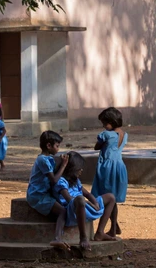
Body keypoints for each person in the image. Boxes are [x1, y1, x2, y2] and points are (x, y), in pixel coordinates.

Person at [53, 151, 118, 251]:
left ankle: (100, 232)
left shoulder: (76, 181)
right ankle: (83, 237)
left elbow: (87, 194)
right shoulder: (62, 181)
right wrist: (88, 203)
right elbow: (70, 200)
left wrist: (95, 202)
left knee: (110, 197)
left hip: (86, 206)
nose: (81, 170)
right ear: (71, 169)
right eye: (78, 168)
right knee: (79, 199)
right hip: (73, 210)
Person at [26, 130, 69, 249]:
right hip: (37, 195)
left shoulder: (47, 158)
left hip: (42, 193)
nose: (58, 149)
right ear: (48, 146)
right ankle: (57, 238)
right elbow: (54, 180)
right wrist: (64, 165)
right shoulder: (42, 160)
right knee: (63, 211)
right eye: (57, 146)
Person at [91, 107, 128, 236]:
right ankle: (114, 226)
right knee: (113, 199)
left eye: (104, 123)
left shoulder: (106, 135)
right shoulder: (124, 135)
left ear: (110, 122)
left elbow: (97, 146)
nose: (103, 126)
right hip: (119, 167)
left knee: (107, 198)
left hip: (107, 168)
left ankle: (111, 228)